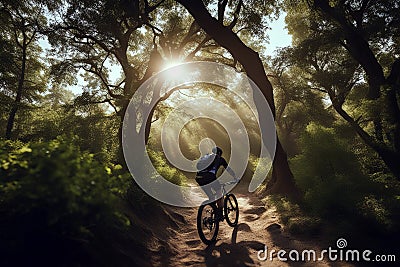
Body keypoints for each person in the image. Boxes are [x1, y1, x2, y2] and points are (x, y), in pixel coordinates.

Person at [195, 146, 237, 221]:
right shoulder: (220, 158)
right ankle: (220, 214)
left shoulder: (206, 157)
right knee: (219, 192)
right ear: (219, 153)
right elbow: (228, 169)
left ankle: (212, 213)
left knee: (211, 198)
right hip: (210, 177)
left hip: (199, 178)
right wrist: (235, 177)